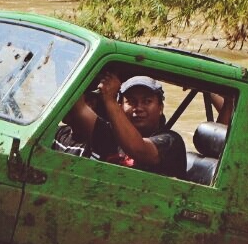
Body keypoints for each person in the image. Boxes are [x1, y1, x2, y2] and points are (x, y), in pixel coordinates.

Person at [58, 73, 187, 178]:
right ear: (121, 107)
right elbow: (78, 108)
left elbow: (139, 149)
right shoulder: (110, 135)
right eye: (131, 102)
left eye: (147, 101)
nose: (138, 108)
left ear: (160, 108)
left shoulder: (170, 141)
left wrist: (110, 100)